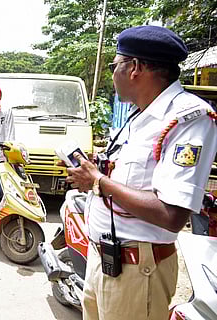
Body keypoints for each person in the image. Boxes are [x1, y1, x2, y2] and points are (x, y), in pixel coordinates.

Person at [66, 25, 217, 320]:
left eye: (115, 66)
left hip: (136, 273)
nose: (113, 75)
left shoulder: (187, 118)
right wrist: (94, 174)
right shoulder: (141, 115)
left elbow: (172, 214)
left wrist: (98, 182)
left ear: (134, 67)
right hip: (103, 260)